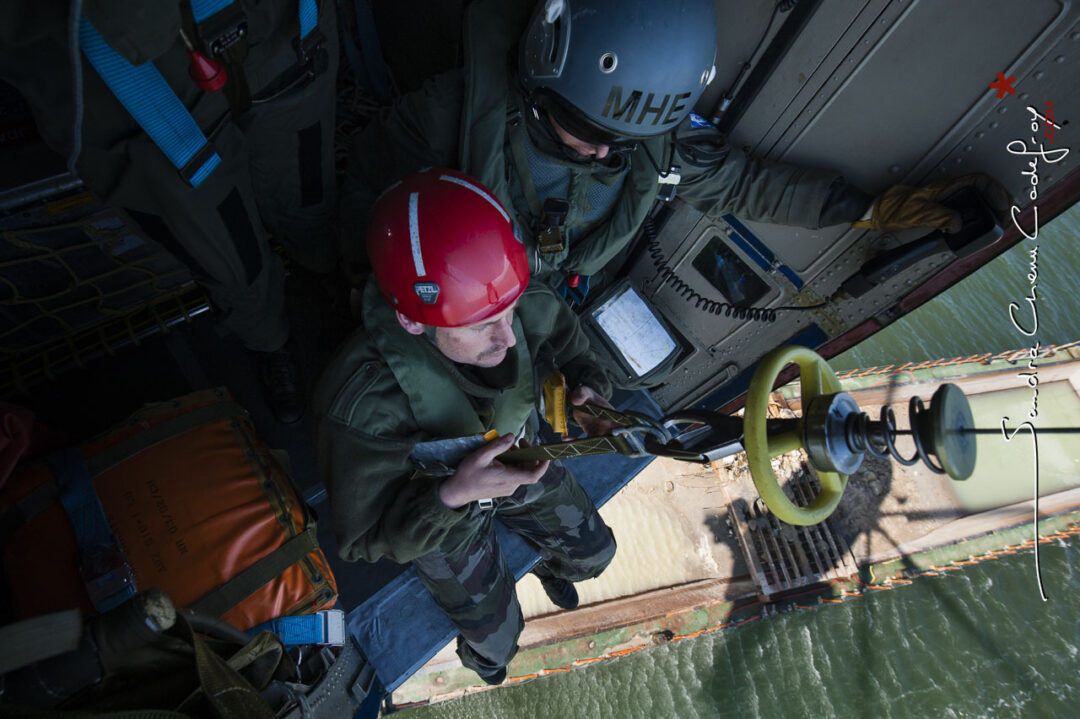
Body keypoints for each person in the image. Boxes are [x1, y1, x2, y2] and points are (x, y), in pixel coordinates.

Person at [339, 0, 1010, 288]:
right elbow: (368, 184)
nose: (607, 154)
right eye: (598, 134)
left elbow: (745, 184)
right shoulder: (457, 111)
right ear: (541, 73)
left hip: (543, 294)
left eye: (627, 140)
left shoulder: (645, 142)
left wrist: (868, 210)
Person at [313, 168, 618, 684]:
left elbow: (567, 337)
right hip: (439, 510)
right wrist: (453, 494)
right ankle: (484, 659)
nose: (508, 340)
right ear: (414, 321)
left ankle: (548, 559)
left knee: (596, 555)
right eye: (481, 328)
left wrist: (589, 385)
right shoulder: (364, 405)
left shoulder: (505, 299)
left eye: (510, 313)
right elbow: (366, 540)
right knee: (500, 643)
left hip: (517, 457)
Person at [0, 0, 341, 423]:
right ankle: (268, 337)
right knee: (220, 245)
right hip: (117, 65)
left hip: (274, 20)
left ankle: (328, 271)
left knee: (304, 181)